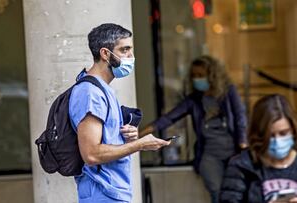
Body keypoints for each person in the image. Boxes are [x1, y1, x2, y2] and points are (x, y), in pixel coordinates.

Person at [68, 23, 170, 203]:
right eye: (124, 50)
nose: (131, 56)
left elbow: (104, 142)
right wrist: (139, 145)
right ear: (105, 53)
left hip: (112, 193)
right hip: (102, 194)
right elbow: (91, 154)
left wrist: (126, 137)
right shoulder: (90, 93)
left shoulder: (102, 89)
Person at [139, 55, 248, 203]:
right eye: (194, 76)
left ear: (212, 75)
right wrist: (140, 134)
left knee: (236, 193)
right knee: (217, 192)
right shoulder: (194, 100)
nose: (197, 79)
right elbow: (169, 118)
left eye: (201, 75)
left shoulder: (228, 92)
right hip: (209, 157)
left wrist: (243, 143)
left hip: (233, 153)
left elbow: (240, 116)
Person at [220, 94, 297, 203]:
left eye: (283, 133)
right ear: (259, 135)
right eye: (270, 135)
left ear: (293, 130)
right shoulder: (242, 166)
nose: (278, 140)